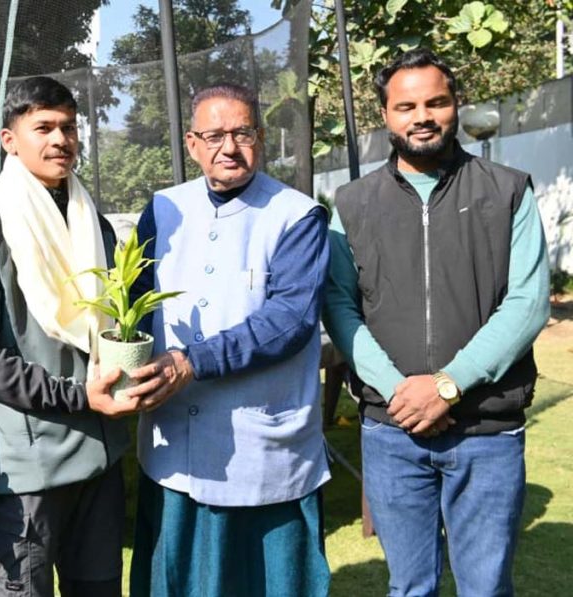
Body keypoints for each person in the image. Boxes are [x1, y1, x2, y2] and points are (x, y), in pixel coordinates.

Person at [323, 48, 550, 596]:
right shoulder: (352, 203)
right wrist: (401, 392)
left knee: (485, 588)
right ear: (385, 115)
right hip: (392, 429)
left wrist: (447, 386)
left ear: (455, 105)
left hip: (485, 431)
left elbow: (527, 303)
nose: (422, 116)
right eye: (406, 106)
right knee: (409, 588)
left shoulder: (507, 189)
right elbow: (340, 306)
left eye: (436, 102)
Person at [0, 76, 144, 597]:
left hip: (100, 457)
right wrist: (78, 395)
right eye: (44, 128)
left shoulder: (92, 223)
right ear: (10, 140)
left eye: (69, 127)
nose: (61, 140)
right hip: (30, 471)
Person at [127, 83, 332, 596]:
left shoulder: (297, 214)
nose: (229, 147)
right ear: (192, 144)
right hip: (173, 444)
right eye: (214, 135)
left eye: (242, 133)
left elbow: (289, 320)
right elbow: (133, 299)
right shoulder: (163, 208)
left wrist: (191, 362)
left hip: (261, 450)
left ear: (260, 137)